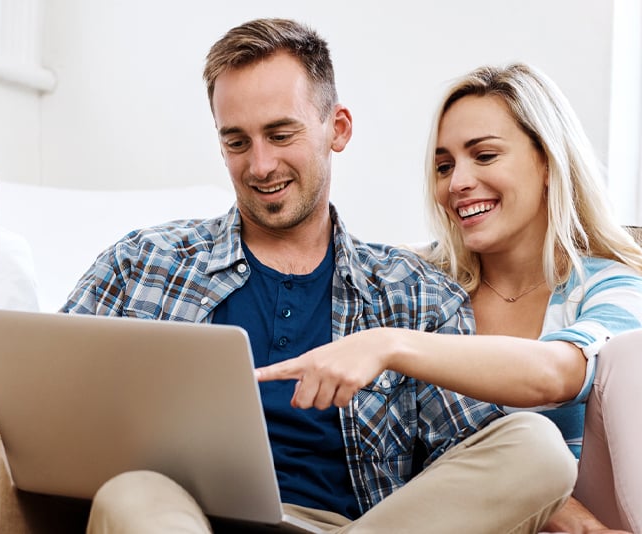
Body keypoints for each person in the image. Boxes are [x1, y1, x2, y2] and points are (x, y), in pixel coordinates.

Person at [62, 20, 576, 533]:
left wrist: (577, 520)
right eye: (237, 142)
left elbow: (474, 456)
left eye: (281, 135)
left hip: (341, 526)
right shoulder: (144, 261)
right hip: (179, 517)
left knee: (536, 447)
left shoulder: (413, 292)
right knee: (131, 490)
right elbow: (40, 410)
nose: (261, 165)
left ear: (339, 129)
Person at [257, 63, 642, 533]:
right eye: (444, 166)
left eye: (484, 156)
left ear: (547, 161)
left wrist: (388, 344)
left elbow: (556, 373)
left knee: (588, 396)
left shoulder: (609, 285)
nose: (457, 182)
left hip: (574, 506)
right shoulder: (415, 283)